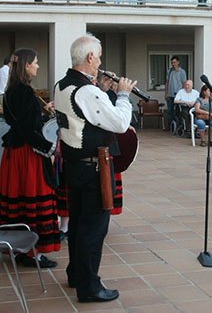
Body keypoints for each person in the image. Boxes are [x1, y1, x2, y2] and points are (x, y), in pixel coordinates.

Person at [54, 34, 136, 303]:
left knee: (78, 224)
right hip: (93, 169)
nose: (100, 61)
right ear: (90, 58)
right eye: (98, 56)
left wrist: (101, 89)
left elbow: (84, 116)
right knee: (93, 229)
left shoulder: (62, 85)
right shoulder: (88, 91)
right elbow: (120, 123)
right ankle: (89, 287)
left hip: (75, 167)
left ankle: (76, 274)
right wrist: (122, 94)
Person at [0, 48, 60, 267]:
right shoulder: (24, 92)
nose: (38, 66)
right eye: (35, 62)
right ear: (26, 65)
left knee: (19, 201)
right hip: (27, 155)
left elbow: (20, 121)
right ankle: (33, 253)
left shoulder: (11, 91)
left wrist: (41, 112)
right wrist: (51, 148)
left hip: (13, 154)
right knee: (33, 199)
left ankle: (19, 249)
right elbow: (28, 130)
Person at [165, 56, 187, 127]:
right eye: (172, 63)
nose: (173, 64)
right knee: (170, 111)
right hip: (170, 94)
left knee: (178, 111)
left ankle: (178, 125)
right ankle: (170, 126)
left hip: (178, 95)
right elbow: (167, 82)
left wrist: (184, 94)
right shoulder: (170, 71)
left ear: (178, 62)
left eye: (174, 62)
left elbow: (184, 83)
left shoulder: (182, 72)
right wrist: (166, 93)